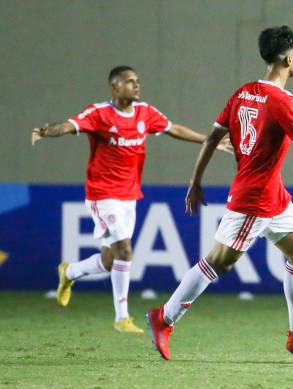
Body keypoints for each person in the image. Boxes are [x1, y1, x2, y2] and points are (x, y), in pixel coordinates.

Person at [146, 25, 293, 360]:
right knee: (220, 262)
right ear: (288, 57)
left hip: (274, 196)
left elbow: (211, 137)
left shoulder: (243, 92)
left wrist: (195, 180)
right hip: (256, 199)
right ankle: (164, 317)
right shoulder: (282, 101)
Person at [32, 65, 232, 333]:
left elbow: (174, 129)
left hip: (129, 196)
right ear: (115, 88)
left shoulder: (145, 113)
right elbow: (70, 126)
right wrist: (48, 131)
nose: (136, 85)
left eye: (137, 81)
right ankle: (122, 317)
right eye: (129, 82)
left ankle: (68, 273)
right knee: (125, 250)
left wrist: (210, 141)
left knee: (110, 259)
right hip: (102, 194)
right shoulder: (100, 113)